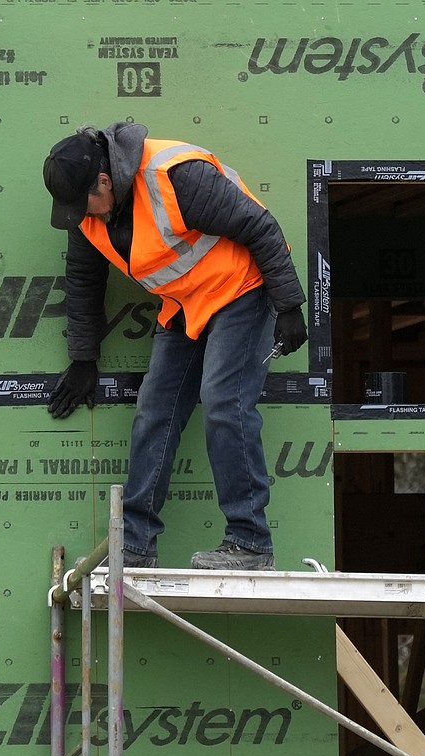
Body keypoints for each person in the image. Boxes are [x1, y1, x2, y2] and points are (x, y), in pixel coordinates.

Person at [41, 122, 306, 570]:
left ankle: (250, 542)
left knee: (224, 402)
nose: (79, 216)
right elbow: (85, 282)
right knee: (154, 411)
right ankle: (135, 546)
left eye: (82, 204)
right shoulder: (86, 217)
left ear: (103, 181)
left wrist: (289, 305)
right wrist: (84, 359)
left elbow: (259, 226)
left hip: (241, 289)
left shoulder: (174, 176)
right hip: (184, 305)